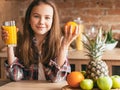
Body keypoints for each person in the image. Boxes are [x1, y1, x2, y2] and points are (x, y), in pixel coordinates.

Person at [1, 0, 79, 82]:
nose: (41, 22)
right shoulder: (21, 42)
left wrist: (64, 47)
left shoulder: (59, 43)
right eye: (36, 16)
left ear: (53, 21)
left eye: (47, 18)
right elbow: (15, 76)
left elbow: (57, 78)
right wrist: (9, 44)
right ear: (28, 19)